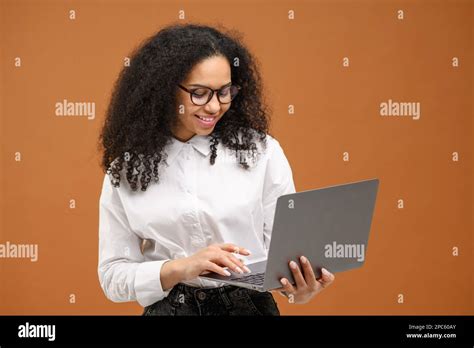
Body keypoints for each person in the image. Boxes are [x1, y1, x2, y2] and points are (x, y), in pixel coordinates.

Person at [97, 23, 335, 316]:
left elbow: (284, 265)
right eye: (199, 93)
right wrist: (181, 268)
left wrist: (301, 288)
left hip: (248, 309)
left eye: (225, 92)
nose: (214, 107)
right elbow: (112, 277)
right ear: (163, 89)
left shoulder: (261, 152)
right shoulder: (127, 169)